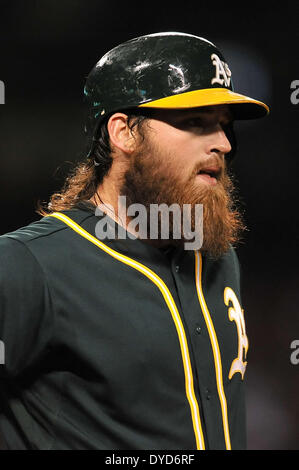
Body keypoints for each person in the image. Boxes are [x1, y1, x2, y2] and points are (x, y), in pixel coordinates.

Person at [0, 32, 269, 450]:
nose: (223, 143)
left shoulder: (216, 254)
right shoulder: (29, 265)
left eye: (223, 125)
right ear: (124, 132)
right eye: (196, 121)